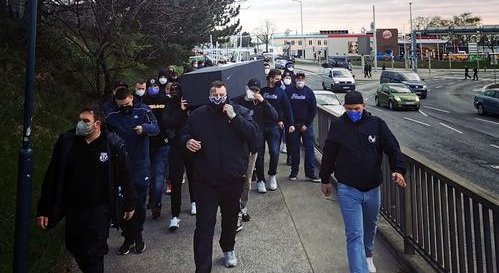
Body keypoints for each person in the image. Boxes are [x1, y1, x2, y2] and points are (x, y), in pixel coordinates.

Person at [37, 103, 137, 273]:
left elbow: (125, 174)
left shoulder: (111, 144)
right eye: (79, 120)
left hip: (99, 209)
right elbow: (52, 176)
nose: (80, 124)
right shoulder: (67, 142)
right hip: (74, 207)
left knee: (94, 253)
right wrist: (44, 208)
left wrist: (130, 202)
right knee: (74, 246)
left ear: (97, 124)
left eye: (85, 120)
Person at [319, 91, 407, 273]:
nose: (353, 112)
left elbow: (392, 147)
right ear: (344, 108)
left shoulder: (377, 125)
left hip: (373, 189)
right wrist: (325, 179)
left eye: (357, 109)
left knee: (369, 228)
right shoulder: (338, 126)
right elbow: (328, 154)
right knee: (354, 235)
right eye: (349, 109)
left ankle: (368, 256)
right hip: (348, 189)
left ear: (364, 106)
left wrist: (397, 170)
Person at [179, 81, 257, 272]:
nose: (218, 98)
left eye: (221, 94)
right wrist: (187, 141)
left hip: (232, 179)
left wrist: (235, 117)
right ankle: (202, 268)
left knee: (230, 219)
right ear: (209, 95)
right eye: (214, 94)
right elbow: (182, 135)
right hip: (205, 181)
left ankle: (228, 247)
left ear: (227, 94)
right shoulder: (197, 115)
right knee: (204, 225)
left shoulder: (239, 111)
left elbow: (253, 136)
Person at [104, 87, 160, 255]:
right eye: (121, 105)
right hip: (120, 166)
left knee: (139, 204)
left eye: (127, 104)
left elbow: (155, 128)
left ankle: (138, 236)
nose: (125, 107)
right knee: (123, 204)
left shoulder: (143, 110)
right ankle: (128, 236)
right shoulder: (111, 116)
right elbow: (105, 136)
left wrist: (144, 128)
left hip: (140, 164)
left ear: (131, 99)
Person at [232, 78, 278, 230]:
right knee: (236, 178)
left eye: (257, 90)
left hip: (252, 147)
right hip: (237, 145)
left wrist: (263, 101)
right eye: (251, 90)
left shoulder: (260, 104)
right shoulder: (237, 101)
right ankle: (235, 209)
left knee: (247, 179)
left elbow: (274, 116)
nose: (254, 93)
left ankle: (242, 206)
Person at [162, 83, 196, 230]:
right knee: (175, 180)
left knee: (194, 176)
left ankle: (194, 202)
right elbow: (166, 123)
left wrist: (186, 109)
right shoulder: (170, 104)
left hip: (191, 145)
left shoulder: (192, 102)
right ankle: (175, 215)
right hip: (176, 146)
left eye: (178, 91)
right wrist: (180, 110)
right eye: (173, 91)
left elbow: (195, 122)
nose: (175, 93)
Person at [258, 69, 295, 193]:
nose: (279, 80)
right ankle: (260, 180)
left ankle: (272, 175)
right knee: (260, 154)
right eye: (277, 78)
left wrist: (291, 123)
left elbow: (287, 108)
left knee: (274, 152)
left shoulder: (281, 92)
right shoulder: (262, 91)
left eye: (280, 78)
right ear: (270, 78)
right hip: (260, 125)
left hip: (274, 126)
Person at [142, 74, 171, 220]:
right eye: (150, 86)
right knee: (148, 176)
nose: (153, 88)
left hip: (162, 144)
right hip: (146, 144)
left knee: (158, 175)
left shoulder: (165, 100)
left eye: (155, 86)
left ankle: (156, 204)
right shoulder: (141, 102)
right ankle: (150, 200)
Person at [286, 72, 320, 182]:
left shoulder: (309, 92)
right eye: (298, 78)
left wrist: (306, 124)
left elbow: (313, 109)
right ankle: (294, 172)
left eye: (302, 79)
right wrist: (290, 123)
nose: (300, 80)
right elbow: (285, 107)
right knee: (294, 149)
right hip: (293, 125)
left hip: (306, 125)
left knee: (309, 149)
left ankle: (310, 173)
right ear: (295, 79)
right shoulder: (288, 91)